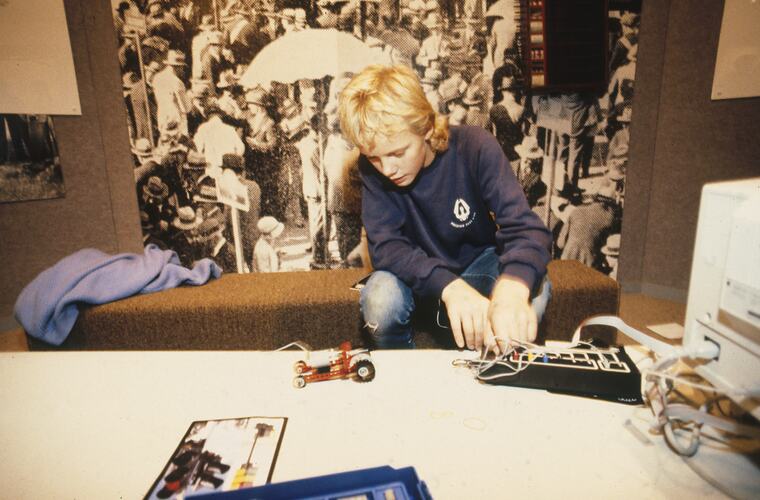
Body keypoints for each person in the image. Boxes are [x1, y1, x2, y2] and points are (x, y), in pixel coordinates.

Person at [337, 64, 552, 353]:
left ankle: (499, 366)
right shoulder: (372, 169)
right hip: (415, 278)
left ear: (426, 127)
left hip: (477, 268)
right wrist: (450, 287)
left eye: (398, 152)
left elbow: (527, 230)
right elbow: (386, 247)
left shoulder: (475, 146)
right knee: (380, 299)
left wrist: (511, 290)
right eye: (374, 157)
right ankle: (405, 373)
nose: (387, 168)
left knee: (534, 290)